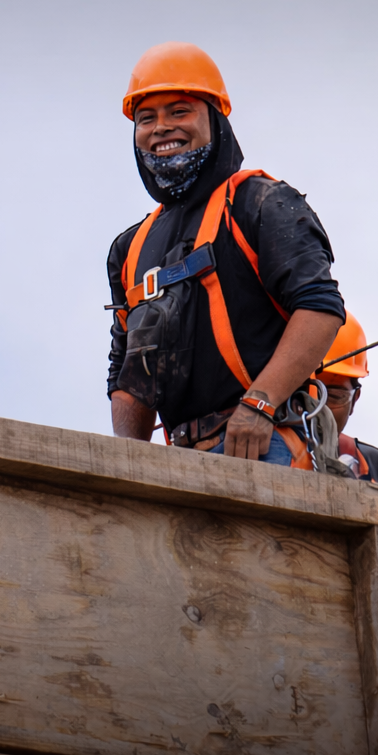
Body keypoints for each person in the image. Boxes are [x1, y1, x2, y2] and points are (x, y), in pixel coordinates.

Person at [107, 42, 344, 465]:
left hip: (262, 441)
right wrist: (128, 463)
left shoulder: (260, 203)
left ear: (214, 120)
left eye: (179, 112)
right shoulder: (131, 248)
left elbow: (320, 309)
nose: (161, 127)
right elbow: (128, 372)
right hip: (179, 458)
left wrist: (260, 405)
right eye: (147, 118)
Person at [320, 311, 378, 483]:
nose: (318, 408)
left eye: (334, 396)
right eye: (305, 394)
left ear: (354, 399)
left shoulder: (371, 465)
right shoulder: (254, 449)